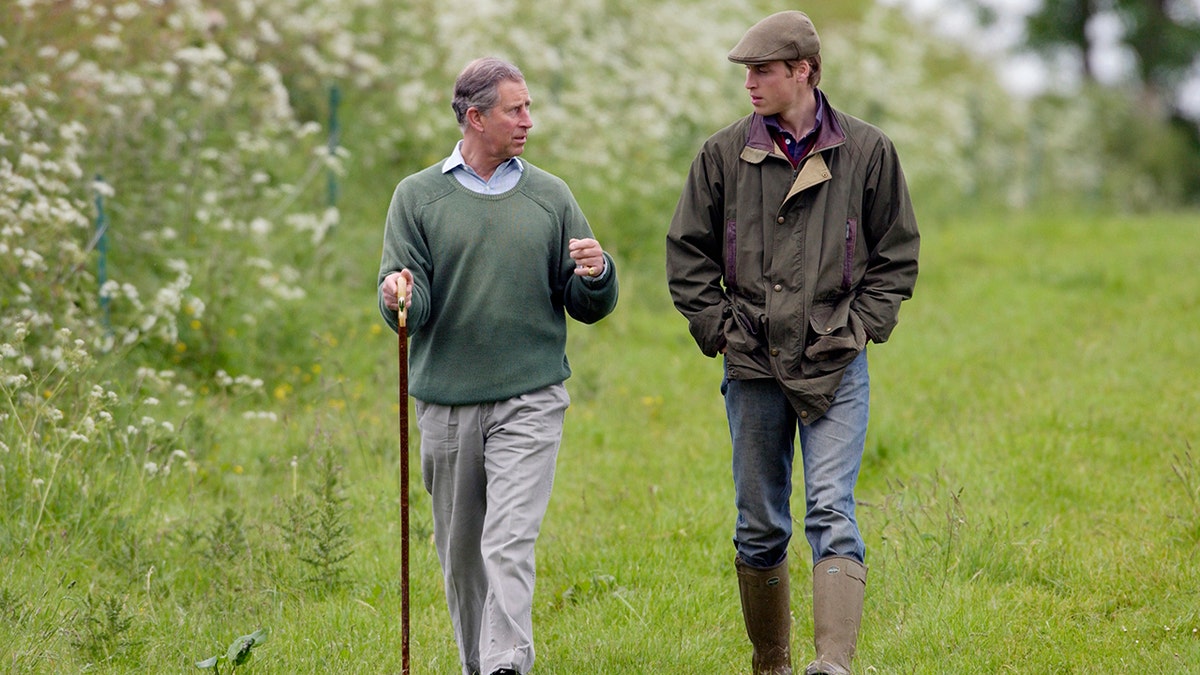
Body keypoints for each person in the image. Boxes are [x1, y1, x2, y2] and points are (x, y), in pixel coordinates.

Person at [665, 11, 919, 675]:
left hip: (837, 360)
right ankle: (771, 662)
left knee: (832, 509)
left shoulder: (867, 152)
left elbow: (896, 254)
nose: (748, 83)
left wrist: (862, 324)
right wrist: (720, 328)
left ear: (801, 70)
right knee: (758, 524)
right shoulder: (722, 155)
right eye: (746, 72)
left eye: (761, 71)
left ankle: (831, 663)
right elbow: (687, 255)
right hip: (751, 361)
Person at [377, 56, 619, 675]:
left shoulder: (550, 196)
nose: (528, 121)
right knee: (461, 558)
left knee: (507, 542)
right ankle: (477, 664)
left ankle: (506, 663)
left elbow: (586, 303)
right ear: (475, 117)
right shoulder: (418, 197)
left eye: (529, 107)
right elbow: (414, 302)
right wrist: (398, 294)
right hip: (447, 404)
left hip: (530, 397)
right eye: (516, 109)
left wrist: (596, 274)